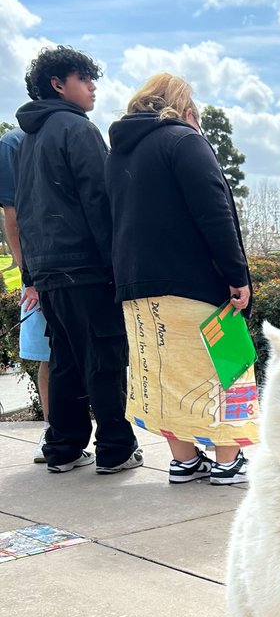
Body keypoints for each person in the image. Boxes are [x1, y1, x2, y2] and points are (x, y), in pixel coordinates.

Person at [105, 73, 255, 485]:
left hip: (137, 290)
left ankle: (184, 460)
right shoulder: (184, 140)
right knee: (230, 368)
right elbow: (214, 212)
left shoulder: (118, 155)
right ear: (187, 109)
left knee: (167, 375)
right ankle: (228, 461)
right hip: (195, 283)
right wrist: (236, 274)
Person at [15, 45, 141, 474]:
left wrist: (31, 272)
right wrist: (117, 265)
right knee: (105, 357)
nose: (92, 89)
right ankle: (115, 449)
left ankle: (64, 448)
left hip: (50, 270)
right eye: (84, 80)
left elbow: (25, 208)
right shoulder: (76, 128)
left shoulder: (30, 137)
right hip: (86, 267)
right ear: (58, 83)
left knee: (66, 360)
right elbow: (100, 201)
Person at [0, 126, 51, 459]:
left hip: (57, 270)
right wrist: (27, 275)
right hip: (43, 271)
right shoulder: (14, 143)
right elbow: (12, 216)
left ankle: (56, 434)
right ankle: (52, 432)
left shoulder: (78, 132)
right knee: (53, 357)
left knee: (58, 358)